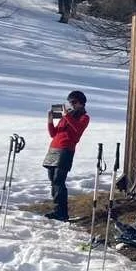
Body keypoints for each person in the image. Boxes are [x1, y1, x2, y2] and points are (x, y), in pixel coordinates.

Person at [43, 90, 90, 221]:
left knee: (59, 180)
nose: (71, 105)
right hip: (53, 148)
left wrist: (66, 116)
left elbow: (77, 130)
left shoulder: (84, 118)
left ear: (81, 103)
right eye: (70, 102)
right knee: (53, 180)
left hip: (66, 150)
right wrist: (50, 121)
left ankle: (62, 212)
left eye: (74, 102)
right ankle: (57, 209)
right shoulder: (67, 116)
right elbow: (54, 133)